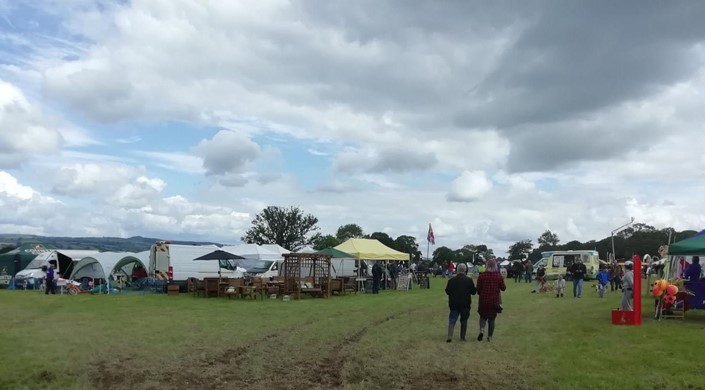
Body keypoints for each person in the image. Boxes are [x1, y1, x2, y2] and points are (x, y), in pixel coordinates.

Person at [444, 263, 477, 342]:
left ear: (457, 270)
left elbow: (447, 291)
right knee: (464, 320)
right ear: (465, 270)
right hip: (465, 304)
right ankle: (462, 337)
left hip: (454, 303)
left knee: (452, 319)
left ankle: (450, 336)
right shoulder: (469, 280)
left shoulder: (451, 280)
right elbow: (473, 292)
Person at [476, 259, 506, 342]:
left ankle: (482, 330)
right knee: (492, 319)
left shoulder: (482, 276)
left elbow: (478, 289)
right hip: (494, 300)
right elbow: (503, 288)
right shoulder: (498, 276)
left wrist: (481, 293)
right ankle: (490, 337)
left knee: (482, 316)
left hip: (483, 299)